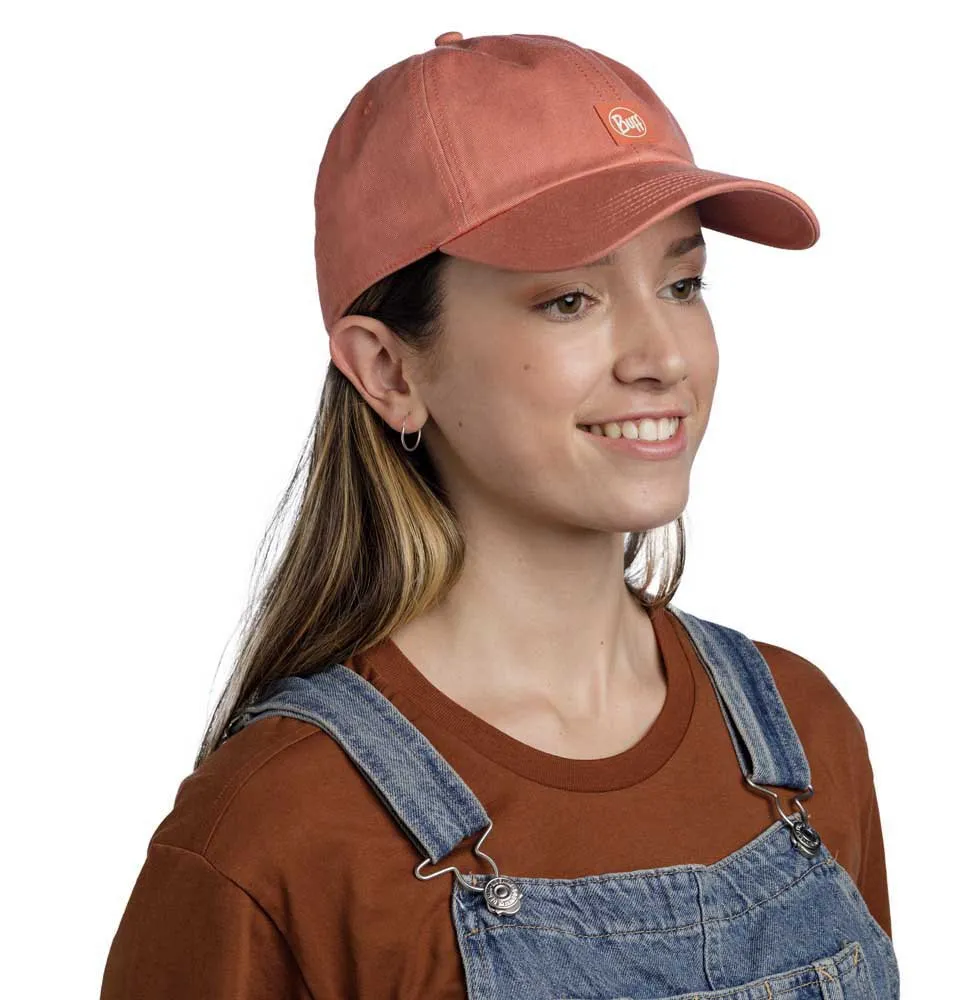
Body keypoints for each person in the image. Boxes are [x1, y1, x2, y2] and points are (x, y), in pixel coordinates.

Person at [101, 30, 900, 999]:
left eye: (682, 284)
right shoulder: (278, 832)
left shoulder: (804, 738)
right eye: (570, 300)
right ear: (389, 371)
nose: (662, 356)